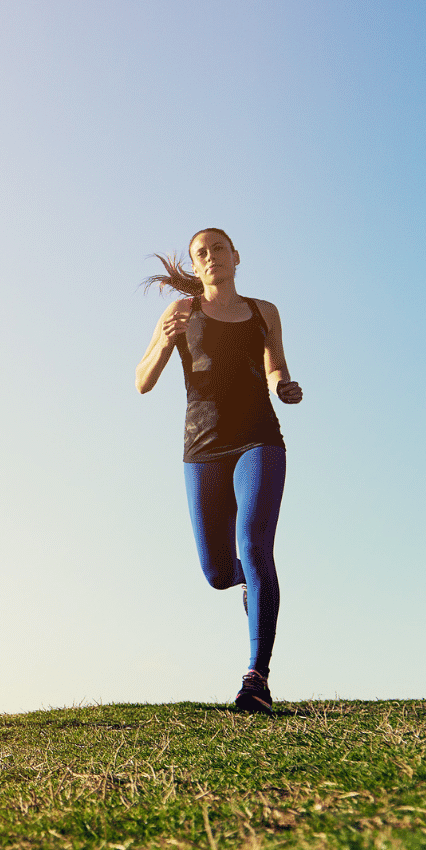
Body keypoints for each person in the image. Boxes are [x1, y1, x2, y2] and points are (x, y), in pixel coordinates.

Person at [135, 227, 303, 713]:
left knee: (254, 544)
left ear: (235, 256)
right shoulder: (181, 313)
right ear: (196, 264)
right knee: (215, 572)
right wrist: (166, 344)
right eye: (201, 254)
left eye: (219, 250)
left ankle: (257, 678)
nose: (211, 258)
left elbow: (276, 368)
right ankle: (249, 581)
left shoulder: (262, 311)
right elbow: (142, 381)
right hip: (203, 447)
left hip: (259, 440)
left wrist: (284, 386)